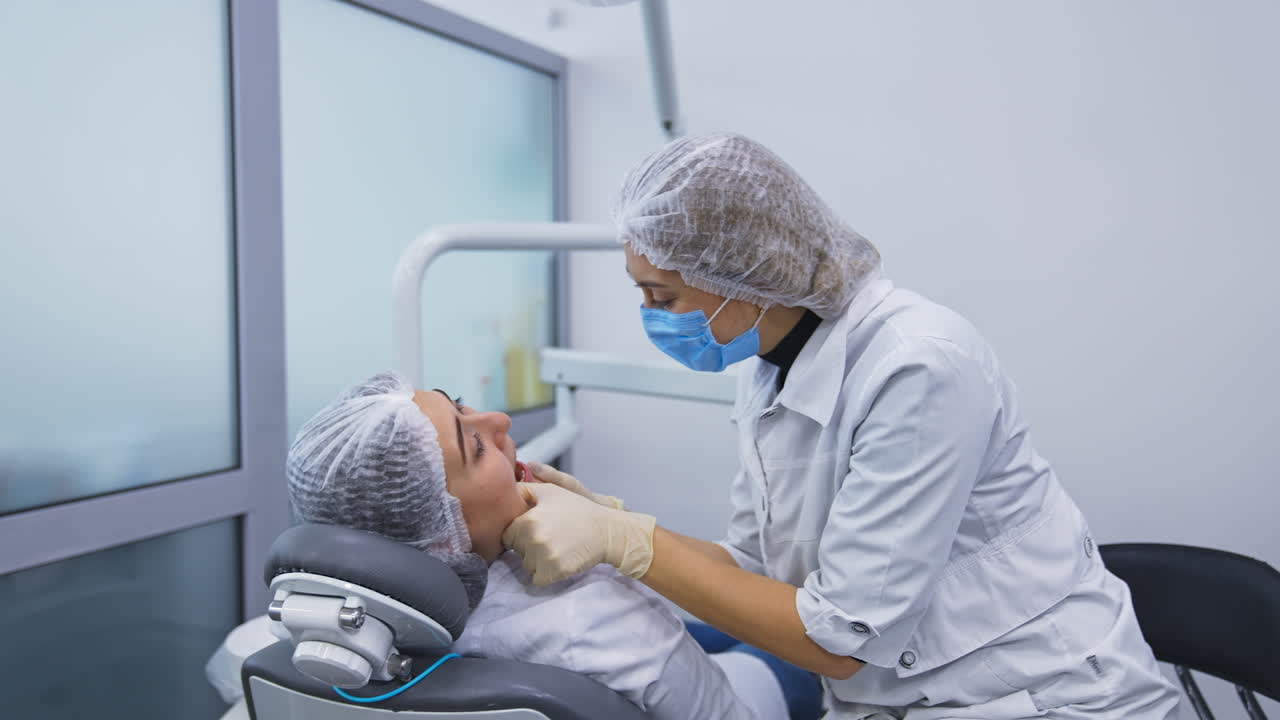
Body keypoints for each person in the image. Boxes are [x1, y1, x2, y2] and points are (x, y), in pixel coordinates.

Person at [500, 132, 1182, 719]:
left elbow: (839, 639)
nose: (651, 314)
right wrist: (608, 517)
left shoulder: (918, 366)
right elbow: (757, 568)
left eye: (663, 295)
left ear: (743, 273)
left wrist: (627, 543)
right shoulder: (771, 364)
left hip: (1041, 698)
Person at [285, 371, 823, 720]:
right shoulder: (590, 618)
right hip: (741, 700)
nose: (499, 421)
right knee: (795, 657)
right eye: (474, 444)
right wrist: (619, 541)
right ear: (444, 531)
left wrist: (614, 523)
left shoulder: (352, 622)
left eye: (465, 406)